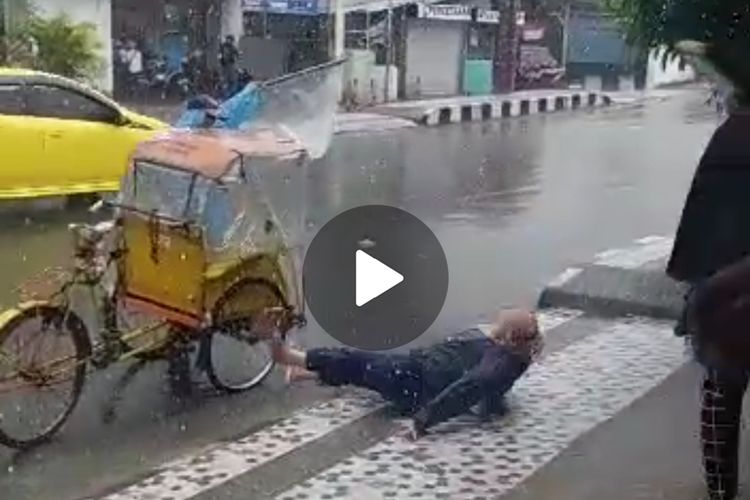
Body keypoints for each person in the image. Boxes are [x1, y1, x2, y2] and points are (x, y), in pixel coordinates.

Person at [666, 27, 750, 500]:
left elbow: (699, 220)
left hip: (724, 299)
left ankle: (721, 491)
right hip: (727, 292)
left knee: (721, 397)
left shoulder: (730, 137)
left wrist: (694, 298)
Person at [269, 309, 543, 439]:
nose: (496, 320)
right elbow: (488, 388)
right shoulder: (509, 357)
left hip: (414, 380)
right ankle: (302, 373)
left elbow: (473, 385)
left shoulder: (498, 363)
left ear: (509, 337)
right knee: (363, 371)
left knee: (356, 361)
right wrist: (495, 404)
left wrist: (424, 420)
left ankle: (290, 357)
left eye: (502, 321)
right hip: (417, 372)